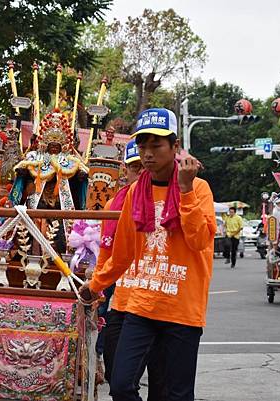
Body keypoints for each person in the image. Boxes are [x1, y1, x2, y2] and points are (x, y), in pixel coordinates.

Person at [80, 107, 216, 401]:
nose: (148, 154)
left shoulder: (200, 189)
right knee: (121, 386)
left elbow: (199, 241)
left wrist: (186, 190)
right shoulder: (133, 193)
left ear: (175, 147)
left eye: (157, 145)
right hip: (141, 306)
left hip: (183, 310)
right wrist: (95, 286)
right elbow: (123, 253)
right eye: (143, 146)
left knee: (177, 395)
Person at [96, 139, 165, 399]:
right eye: (134, 167)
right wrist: (97, 286)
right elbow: (106, 252)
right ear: (125, 169)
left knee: (161, 385)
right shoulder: (114, 204)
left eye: (143, 168)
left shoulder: (167, 200)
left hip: (157, 301)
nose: (139, 173)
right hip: (124, 301)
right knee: (119, 381)